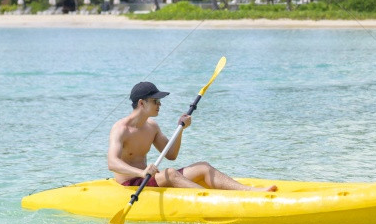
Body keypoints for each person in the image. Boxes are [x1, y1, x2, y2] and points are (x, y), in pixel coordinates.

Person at [107, 80, 277, 192]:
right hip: (131, 184)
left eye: (159, 101)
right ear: (141, 103)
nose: (160, 104)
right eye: (155, 101)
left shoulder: (152, 126)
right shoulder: (121, 129)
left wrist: (181, 129)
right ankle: (213, 200)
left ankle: (249, 191)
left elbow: (171, 155)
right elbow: (112, 163)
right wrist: (142, 172)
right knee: (171, 173)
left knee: (203, 167)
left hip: (147, 179)